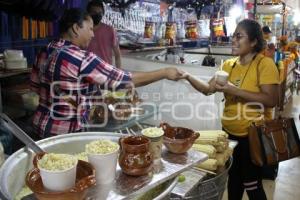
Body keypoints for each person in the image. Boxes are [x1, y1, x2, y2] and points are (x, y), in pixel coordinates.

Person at [30, 8, 185, 138]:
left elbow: (36, 88)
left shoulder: (45, 50)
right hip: (65, 134)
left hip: (39, 128)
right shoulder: (82, 58)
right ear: (76, 28)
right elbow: (124, 80)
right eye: (90, 29)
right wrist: (164, 72)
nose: (92, 34)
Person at [184, 19, 279, 200]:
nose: (233, 40)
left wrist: (233, 90)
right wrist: (187, 76)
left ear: (253, 42)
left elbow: (271, 100)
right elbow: (207, 89)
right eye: (233, 36)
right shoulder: (229, 66)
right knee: (233, 180)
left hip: (252, 137)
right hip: (228, 135)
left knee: (251, 184)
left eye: (239, 36)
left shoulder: (264, 65)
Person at [86, 0, 122, 68]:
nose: (97, 15)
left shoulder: (110, 30)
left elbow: (117, 55)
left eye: (100, 13)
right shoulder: (83, 30)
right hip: (87, 70)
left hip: (105, 71)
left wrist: (118, 71)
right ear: (88, 13)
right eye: (94, 12)